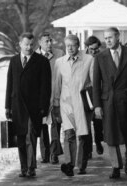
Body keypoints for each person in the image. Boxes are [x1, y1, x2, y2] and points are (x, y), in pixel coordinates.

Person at [93, 27, 127, 179]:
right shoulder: (100, 57)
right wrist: (97, 105)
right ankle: (116, 166)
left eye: (110, 37)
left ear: (118, 37)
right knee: (110, 134)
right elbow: (96, 83)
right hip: (108, 101)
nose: (107, 40)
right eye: (106, 38)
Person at [5, 32, 51, 177]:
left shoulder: (42, 61)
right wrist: (7, 106)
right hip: (17, 105)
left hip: (34, 107)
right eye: (26, 44)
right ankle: (23, 168)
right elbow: (9, 84)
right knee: (20, 138)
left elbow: (46, 86)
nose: (29, 47)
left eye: (31, 45)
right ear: (20, 44)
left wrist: (43, 106)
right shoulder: (13, 61)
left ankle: (31, 168)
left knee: (30, 137)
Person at [52, 34, 94, 176]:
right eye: (67, 45)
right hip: (66, 104)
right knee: (68, 134)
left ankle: (81, 165)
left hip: (83, 104)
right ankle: (69, 164)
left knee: (83, 135)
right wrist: (56, 104)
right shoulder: (60, 62)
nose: (70, 48)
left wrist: (95, 103)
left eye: (73, 45)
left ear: (78, 45)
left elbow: (93, 82)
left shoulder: (88, 60)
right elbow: (57, 85)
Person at [35, 32, 64, 164]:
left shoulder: (59, 54)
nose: (49, 44)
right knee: (41, 126)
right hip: (41, 96)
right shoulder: (34, 56)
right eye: (46, 41)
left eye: (50, 41)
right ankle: (45, 153)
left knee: (55, 125)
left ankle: (54, 153)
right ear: (40, 42)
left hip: (57, 93)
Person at [84, 36, 104, 157]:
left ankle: (98, 140)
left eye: (96, 49)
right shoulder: (82, 57)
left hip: (99, 90)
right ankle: (88, 148)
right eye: (91, 49)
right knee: (86, 121)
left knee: (98, 120)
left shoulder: (102, 56)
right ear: (87, 47)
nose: (94, 51)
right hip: (86, 91)